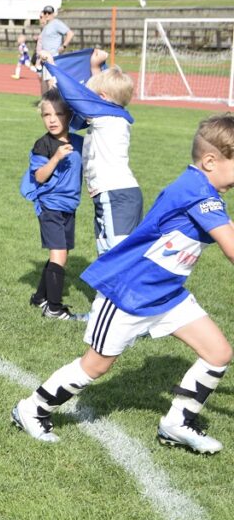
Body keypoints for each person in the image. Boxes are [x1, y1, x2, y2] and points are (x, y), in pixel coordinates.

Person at [13, 113, 234, 454]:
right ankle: (31, 409)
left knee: (218, 352)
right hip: (128, 293)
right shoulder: (196, 193)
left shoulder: (205, 191)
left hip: (167, 294)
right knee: (95, 366)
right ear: (209, 161)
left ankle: (176, 424)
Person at [46, 51, 142, 256]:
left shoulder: (108, 117)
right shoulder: (111, 114)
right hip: (111, 194)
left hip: (116, 195)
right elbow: (94, 98)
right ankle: (103, 290)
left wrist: (51, 66)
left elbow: (75, 95)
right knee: (106, 251)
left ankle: (132, 288)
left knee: (117, 254)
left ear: (102, 99)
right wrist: (95, 68)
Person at [20, 90, 84, 320]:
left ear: (69, 116)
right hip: (50, 206)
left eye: (58, 114)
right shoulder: (43, 145)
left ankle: (39, 298)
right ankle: (54, 308)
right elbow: (39, 177)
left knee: (61, 252)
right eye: (47, 115)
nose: (52, 119)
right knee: (59, 255)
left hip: (69, 206)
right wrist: (56, 158)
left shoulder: (78, 142)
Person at [37, 6, 73, 93]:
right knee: (45, 82)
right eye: (45, 12)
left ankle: (53, 103)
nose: (46, 14)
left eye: (49, 13)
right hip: (45, 59)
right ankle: (45, 102)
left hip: (53, 58)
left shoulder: (56, 23)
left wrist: (64, 46)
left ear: (53, 14)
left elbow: (70, 33)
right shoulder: (46, 25)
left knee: (51, 82)